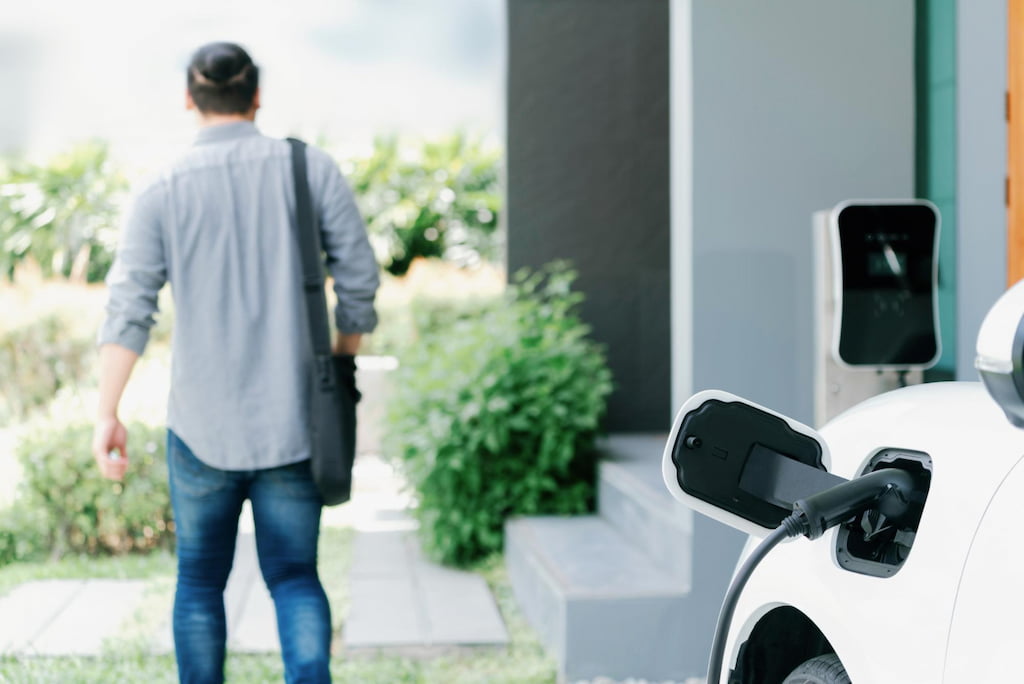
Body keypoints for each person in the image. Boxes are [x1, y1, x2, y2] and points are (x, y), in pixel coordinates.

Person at [92, 42, 379, 684]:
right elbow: (358, 282)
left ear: (189, 100)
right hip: (296, 423)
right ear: (256, 96)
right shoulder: (313, 171)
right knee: (296, 577)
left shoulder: (161, 189)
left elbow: (128, 308)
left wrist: (107, 412)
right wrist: (340, 361)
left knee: (198, 583)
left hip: (200, 428)